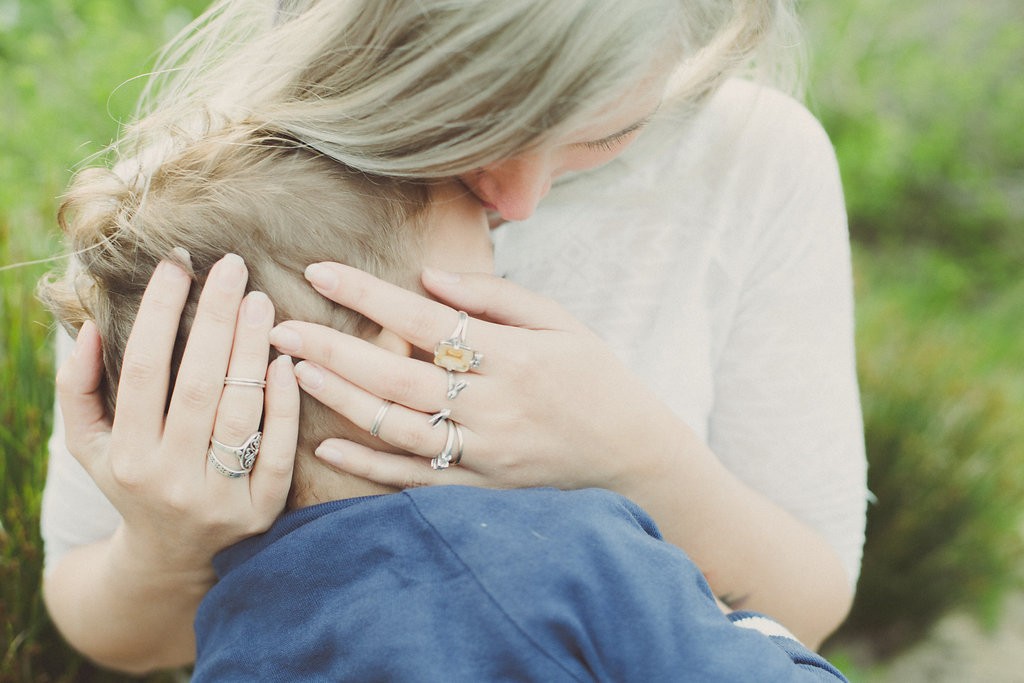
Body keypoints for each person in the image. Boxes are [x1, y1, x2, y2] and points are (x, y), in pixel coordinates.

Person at [42, 0, 867, 671]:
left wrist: (636, 454)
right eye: (476, 122)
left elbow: (815, 594)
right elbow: (100, 614)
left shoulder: (753, 159)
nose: (520, 200)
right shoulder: (201, 209)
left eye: (604, 132)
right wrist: (170, 542)